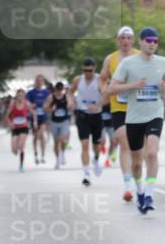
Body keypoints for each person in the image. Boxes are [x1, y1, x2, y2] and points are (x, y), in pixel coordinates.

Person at [108, 27, 165, 214]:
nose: (153, 44)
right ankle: (139, 190)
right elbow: (112, 87)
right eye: (149, 40)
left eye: (155, 41)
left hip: (155, 113)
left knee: (151, 152)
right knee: (136, 161)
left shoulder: (162, 61)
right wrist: (133, 85)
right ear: (141, 42)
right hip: (134, 117)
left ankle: (150, 194)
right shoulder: (128, 63)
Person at [100, 25, 139, 201]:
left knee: (138, 149)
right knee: (124, 144)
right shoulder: (111, 59)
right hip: (118, 107)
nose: (125, 41)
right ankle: (127, 186)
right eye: (122, 38)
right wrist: (105, 90)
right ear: (118, 40)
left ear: (133, 40)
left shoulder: (140, 56)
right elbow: (102, 79)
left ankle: (138, 182)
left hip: (138, 107)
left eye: (128, 38)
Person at [69, 58, 104, 186]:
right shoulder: (78, 80)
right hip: (82, 114)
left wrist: (98, 104)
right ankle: (86, 174)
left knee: (96, 145)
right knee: (84, 144)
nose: (87, 73)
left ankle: (96, 159)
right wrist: (71, 100)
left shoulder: (100, 79)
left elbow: (106, 95)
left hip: (96, 115)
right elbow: (70, 92)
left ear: (94, 69)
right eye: (85, 70)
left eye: (90, 70)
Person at [45, 81, 73, 169]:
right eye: (58, 90)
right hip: (54, 122)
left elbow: (71, 105)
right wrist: (50, 108)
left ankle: (63, 154)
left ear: (62, 90)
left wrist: (69, 105)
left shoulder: (66, 96)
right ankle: (57, 160)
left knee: (62, 139)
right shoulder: (51, 97)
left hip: (64, 121)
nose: (59, 91)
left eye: (61, 90)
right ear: (55, 89)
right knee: (56, 142)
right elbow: (45, 108)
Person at [7, 88, 36, 170]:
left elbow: (34, 113)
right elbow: (7, 115)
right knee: (14, 149)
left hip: (24, 127)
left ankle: (21, 165)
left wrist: (35, 122)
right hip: (15, 128)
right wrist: (9, 123)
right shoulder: (13, 104)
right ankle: (16, 150)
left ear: (24, 96)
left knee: (21, 146)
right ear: (16, 96)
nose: (20, 97)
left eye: (22, 96)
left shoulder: (26, 103)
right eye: (19, 96)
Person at [26, 74, 50, 164]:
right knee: (35, 137)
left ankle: (43, 156)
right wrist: (32, 105)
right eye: (38, 80)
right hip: (34, 117)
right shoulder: (31, 93)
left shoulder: (46, 92)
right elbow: (27, 104)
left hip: (43, 116)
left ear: (43, 82)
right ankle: (36, 154)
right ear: (35, 82)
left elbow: (49, 102)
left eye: (41, 80)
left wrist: (46, 106)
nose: (39, 82)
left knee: (41, 135)